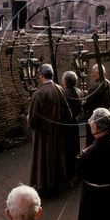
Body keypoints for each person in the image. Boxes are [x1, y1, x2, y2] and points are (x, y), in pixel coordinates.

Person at [27, 64, 72, 195]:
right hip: (57, 132)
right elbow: (67, 114)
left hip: (43, 134)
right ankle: (57, 183)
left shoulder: (39, 93)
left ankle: (45, 186)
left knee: (44, 158)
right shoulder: (59, 89)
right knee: (56, 157)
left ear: (41, 75)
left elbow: (33, 119)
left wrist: (29, 119)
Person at [82, 64, 110, 146]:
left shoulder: (96, 86)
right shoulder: (108, 83)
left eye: (93, 72)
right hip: (105, 115)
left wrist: (83, 101)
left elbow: (87, 103)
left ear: (98, 73)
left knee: (93, 141)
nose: (92, 75)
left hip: (95, 118)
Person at [61, 70, 83, 180]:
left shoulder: (63, 94)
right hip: (75, 123)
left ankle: (70, 174)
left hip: (66, 124)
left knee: (68, 149)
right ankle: (77, 170)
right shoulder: (78, 91)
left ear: (65, 81)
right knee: (76, 147)